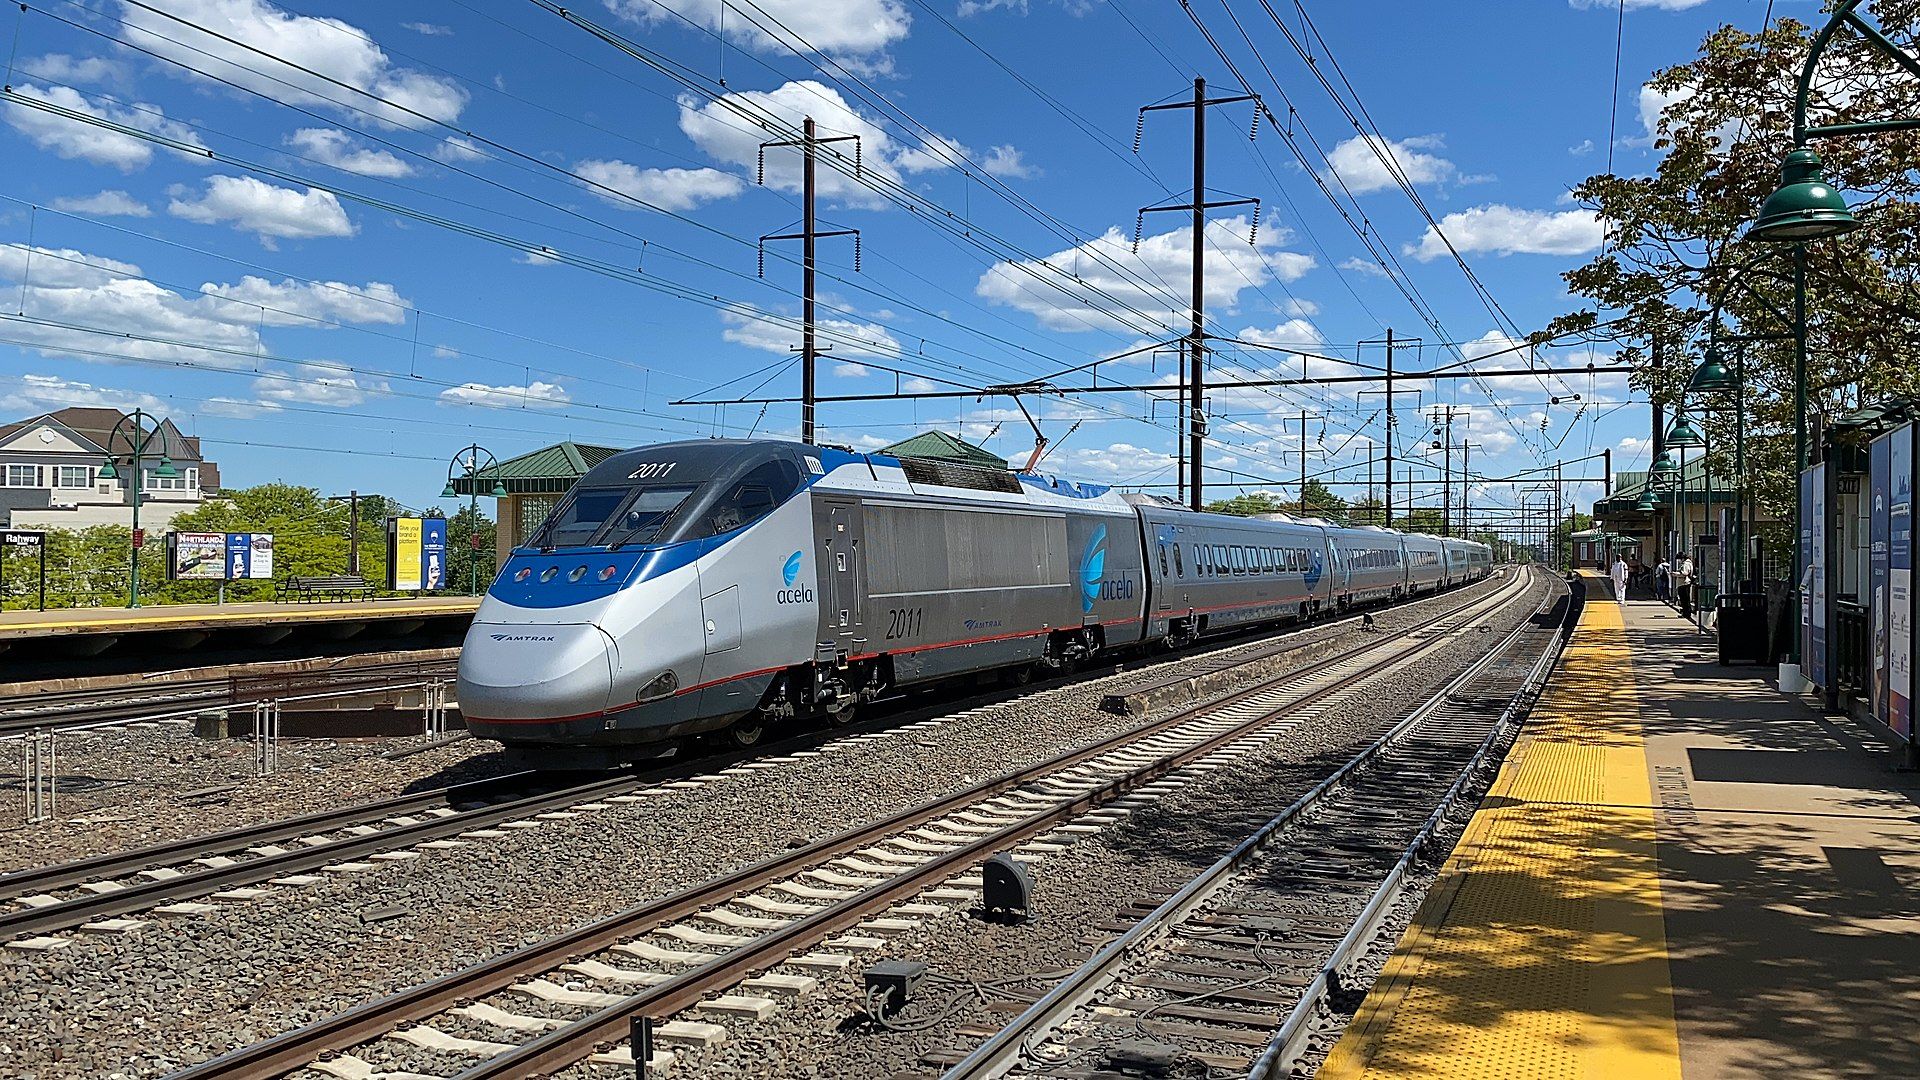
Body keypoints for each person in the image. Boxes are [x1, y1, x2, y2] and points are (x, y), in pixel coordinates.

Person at [1676, 552, 1696, 618]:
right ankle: (1686, 613)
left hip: (1684, 583)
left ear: (1682, 558)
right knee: (1685, 599)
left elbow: (1685, 573)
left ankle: (1686, 613)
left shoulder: (1686, 564)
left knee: (1684, 599)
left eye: (1679, 559)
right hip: (1685, 583)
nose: (1678, 561)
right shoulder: (1688, 563)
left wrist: (1675, 574)